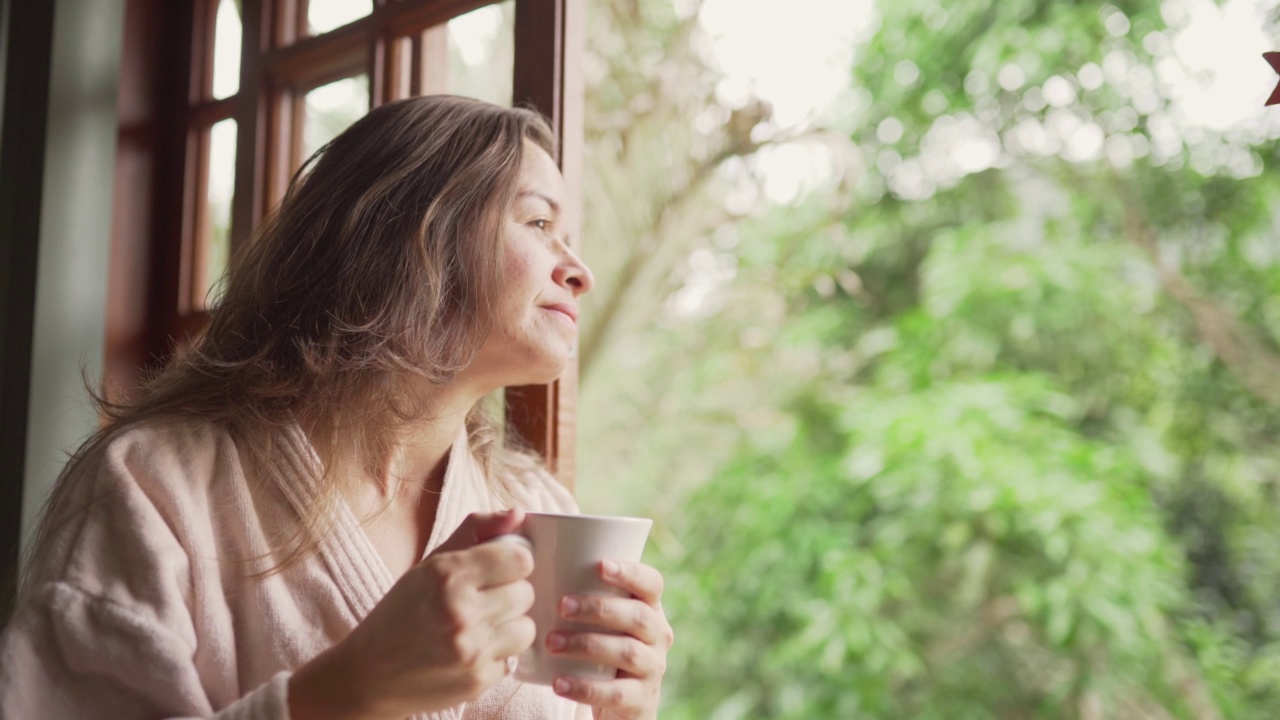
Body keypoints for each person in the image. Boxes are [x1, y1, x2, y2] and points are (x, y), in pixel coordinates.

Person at [0, 95, 673, 719]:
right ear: (415, 234)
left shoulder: (540, 505)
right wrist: (352, 686)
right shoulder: (156, 488)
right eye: (537, 222)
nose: (579, 269)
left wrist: (621, 710)